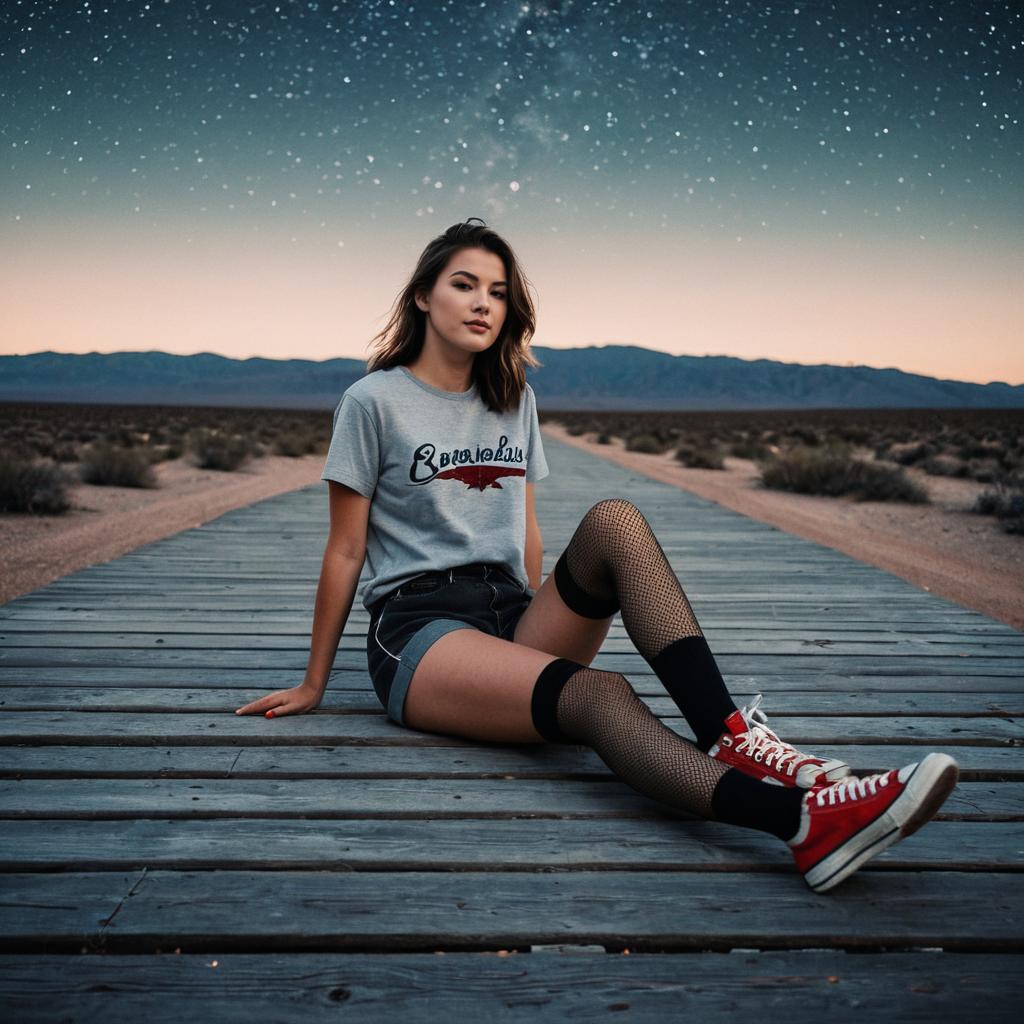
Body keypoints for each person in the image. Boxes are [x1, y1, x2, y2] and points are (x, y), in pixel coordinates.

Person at [235, 217, 959, 893]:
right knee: (602, 694)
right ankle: (803, 826)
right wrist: (313, 683)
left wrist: (534, 629)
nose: (484, 304)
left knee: (616, 520)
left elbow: (524, 525)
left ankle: (729, 736)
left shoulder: (511, 396)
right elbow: (346, 548)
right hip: (420, 632)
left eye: (498, 292)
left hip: (507, 615)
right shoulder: (373, 401)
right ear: (423, 295)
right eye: (464, 284)